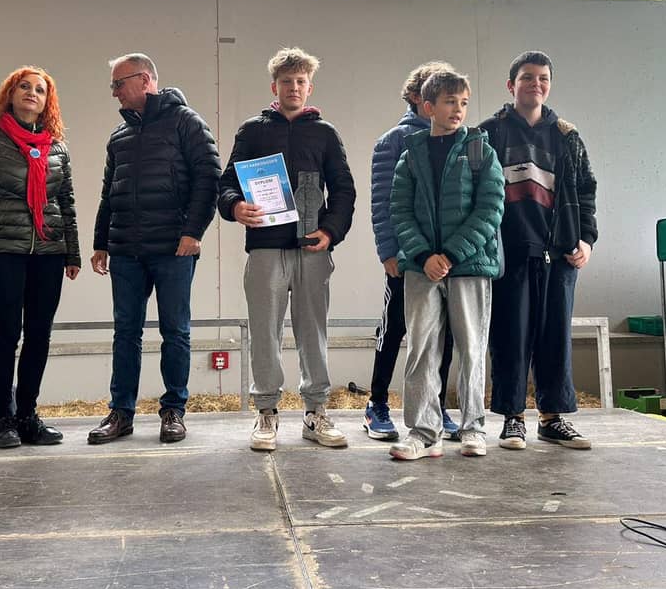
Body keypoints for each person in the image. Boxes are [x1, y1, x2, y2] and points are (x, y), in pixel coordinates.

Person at [218, 47, 356, 451]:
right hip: (265, 248)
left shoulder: (325, 133)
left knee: (314, 332)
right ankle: (266, 412)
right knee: (265, 332)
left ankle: (316, 412)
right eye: (286, 81)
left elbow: (344, 189)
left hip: (313, 249)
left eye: (300, 81)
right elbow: (226, 183)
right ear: (274, 87)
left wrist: (331, 231)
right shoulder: (252, 131)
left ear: (309, 87)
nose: (293, 87)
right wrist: (234, 206)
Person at [89, 53, 221, 445]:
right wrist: (100, 242)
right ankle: (121, 412)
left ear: (145, 80)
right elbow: (109, 191)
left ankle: (173, 410)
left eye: (118, 84)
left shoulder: (187, 122)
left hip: (173, 249)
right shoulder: (119, 136)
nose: (114, 93)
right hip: (125, 251)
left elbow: (209, 179)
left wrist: (193, 232)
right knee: (125, 332)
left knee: (175, 331)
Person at [0, 67, 81, 449]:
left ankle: (28, 415)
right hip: (1, 250)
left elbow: (66, 203)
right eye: (24, 86)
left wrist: (72, 252)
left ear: (47, 102)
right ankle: (3, 419)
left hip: (48, 251)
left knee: (39, 334)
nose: (32, 93)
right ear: (10, 94)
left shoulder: (57, 148)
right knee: (6, 333)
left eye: (40, 90)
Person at [479, 51, 598, 450]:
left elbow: (586, 191)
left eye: (543, 78)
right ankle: (512, 418)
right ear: (511, 85)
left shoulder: (567, 137)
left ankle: (552, 418)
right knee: (510, 337)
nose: (536, 84)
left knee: (555, 338)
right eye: (527, 77)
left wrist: (586, 239)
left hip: (559, 254)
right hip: (509, 253)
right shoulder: (489, 133)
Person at [388, 70, 504, 460]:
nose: (458, 109)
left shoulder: (481, 152)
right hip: (421, 269)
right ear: (428, 107)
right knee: (421, 350)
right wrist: (424, 257)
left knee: (471, 349)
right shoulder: (410, 156)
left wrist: (451, 255)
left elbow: (491, 209)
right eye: (450, 101)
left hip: (469, 267)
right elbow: (399, 211)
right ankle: (424, 433)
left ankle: (473, 429)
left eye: (464, 102)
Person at [366, 61, 460, 443]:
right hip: (406, 259)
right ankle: (376, 405)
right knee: (394, 328)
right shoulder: (393, 141)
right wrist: (389, 251)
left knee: (445, 334)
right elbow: (382, 201)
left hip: (447, 259)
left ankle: (435, 406)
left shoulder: (459, 139)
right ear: (416, 98)